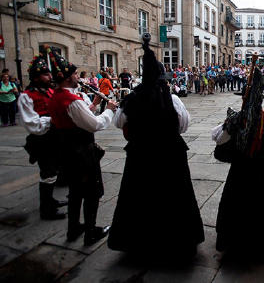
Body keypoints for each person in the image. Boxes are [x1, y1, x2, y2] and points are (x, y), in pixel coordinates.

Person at [108, 35, 204, 257]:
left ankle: (139, 241)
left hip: (140, 156)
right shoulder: (172, 100)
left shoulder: (132, 99)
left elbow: (118, 122)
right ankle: (176, 240)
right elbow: (183, 126)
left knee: (140, 198)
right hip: (170, 154)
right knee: (174, 196)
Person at [211, 58, 264, 253]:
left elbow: (218, 137)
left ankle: (237, 238)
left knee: (238, 202)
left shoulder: (237, 118)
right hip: (263, 164)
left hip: (241, 166)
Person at [46, 47, 117, 246]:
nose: (78, 76)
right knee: (92, 192)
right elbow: (94, 124)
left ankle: (73, 228)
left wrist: (92, 106)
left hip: (67, 151)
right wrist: (109, 110)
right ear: (68, 78)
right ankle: (90, 232)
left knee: (75, 191)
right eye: (75, 74)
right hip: (82, 152)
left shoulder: (57, 96)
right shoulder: (72, 100)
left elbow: (74, 118)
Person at [18, 51, 68, 220]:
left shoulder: (50, 91)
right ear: (36, 77)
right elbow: (32, 124)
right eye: (45, 74)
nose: (49, 77)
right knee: (47, 173)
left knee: (54, 170)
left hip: (55, 137)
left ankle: (51, 201)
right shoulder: (26, 96)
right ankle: (46, 210)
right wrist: (53, 119)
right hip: (42, 140)